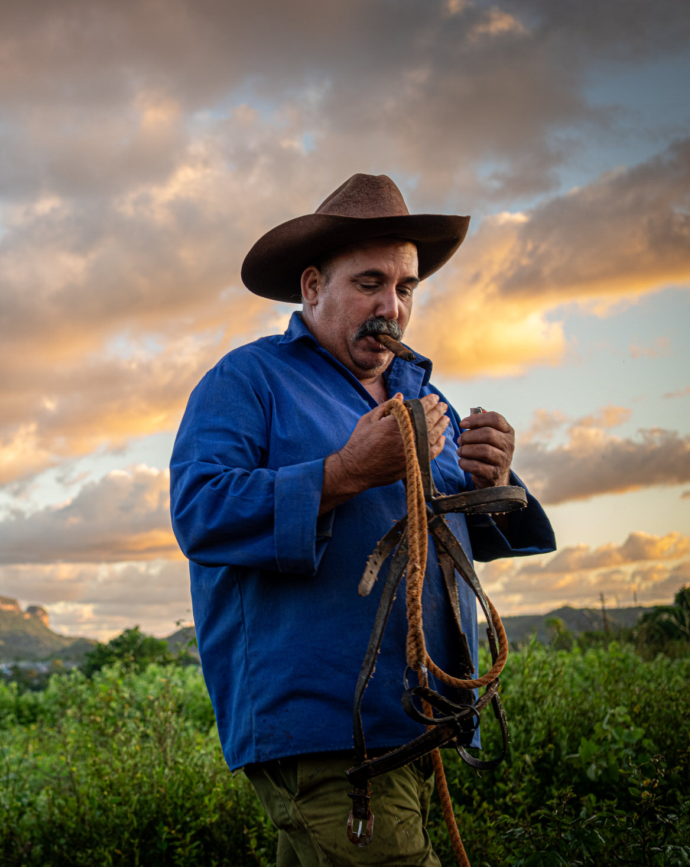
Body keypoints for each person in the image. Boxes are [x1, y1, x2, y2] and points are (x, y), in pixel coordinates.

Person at [168, 173, 556, 866]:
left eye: (406, 288)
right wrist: (345, 471)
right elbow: (201, 510)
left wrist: (490, 478)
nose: (392, 306)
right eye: (370, 282)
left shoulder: (424, 394)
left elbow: (445, 525)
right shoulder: (249, 380)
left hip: (411, 725)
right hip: (326, 733)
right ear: (312, 286)